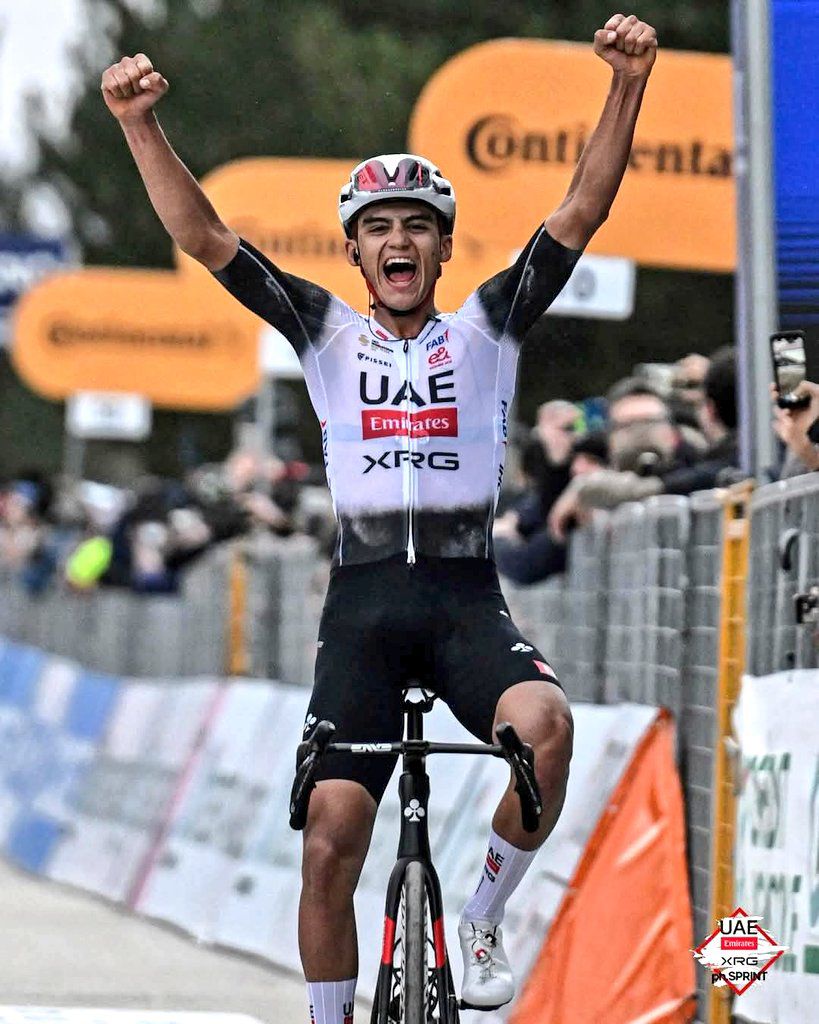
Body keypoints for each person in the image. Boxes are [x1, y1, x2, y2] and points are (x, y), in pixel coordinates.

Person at [101, 13, 657, 1019]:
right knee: (330, 838)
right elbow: (203, 237)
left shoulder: (490, 325)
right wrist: (140, 125)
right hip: (361, 610)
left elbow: (581, 207)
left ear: (442, 247)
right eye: (378, 229)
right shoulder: (323, 331)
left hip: (461, 602)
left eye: (416, 226)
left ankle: (482, 912)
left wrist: (627, 84)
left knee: (546, 726)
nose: (398, 242)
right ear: (356, 252)